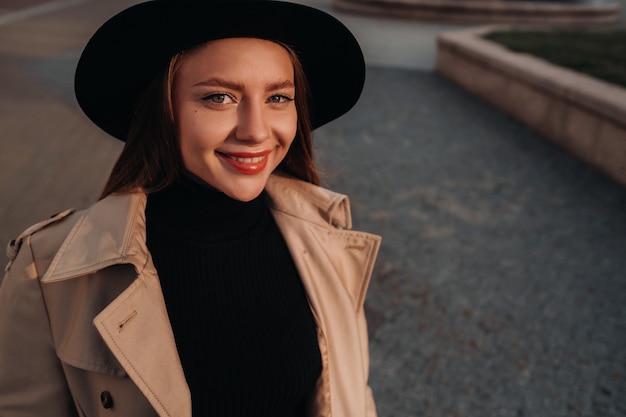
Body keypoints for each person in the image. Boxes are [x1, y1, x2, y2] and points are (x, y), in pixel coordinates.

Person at [0, 0, 381, 416]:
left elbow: (351, 397)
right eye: (219, 97)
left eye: (278, 97)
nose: (256, 130)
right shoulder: (49, 272)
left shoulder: (327, 238)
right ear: (163, 112)